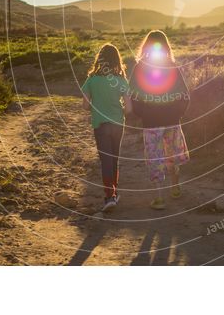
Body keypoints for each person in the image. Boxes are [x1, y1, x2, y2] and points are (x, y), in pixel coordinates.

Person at [129, 30, 190, 210]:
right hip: (172, 120)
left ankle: (159, 198)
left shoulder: (140, 67)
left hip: (151, 123)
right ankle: (176, 188)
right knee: (172, 155)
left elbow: (132, 94)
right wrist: (178, 113)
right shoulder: (172, 66)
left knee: (154, 158)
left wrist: (143, 113)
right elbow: (185, 95)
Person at [81, 43, 130, 213]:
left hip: (100, 125)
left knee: (106, 160)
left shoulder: (92, 79)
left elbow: (85, 106)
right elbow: (129, 108)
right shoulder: (121, 80)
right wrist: (118, 109)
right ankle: (113, 194)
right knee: (114, 159)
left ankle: (110, 197)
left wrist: (97, 102)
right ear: (117, 60)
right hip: (118, 124)